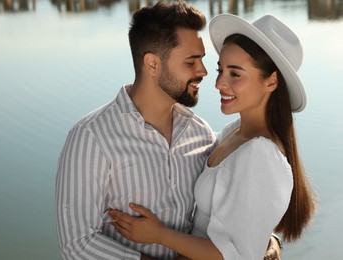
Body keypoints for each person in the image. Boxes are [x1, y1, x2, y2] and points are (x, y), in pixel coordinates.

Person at [56, 2, 282, 259]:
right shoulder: (91, 138)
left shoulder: (201, 133)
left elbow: (239, 194)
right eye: (191, 61)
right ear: (152, 64)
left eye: (202, 59)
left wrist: (267, 238)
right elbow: (77, 244)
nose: (204, 72)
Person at [108, 13, 317, 260]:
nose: (219, 83)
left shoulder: (260, 156)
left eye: (235, 74)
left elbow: (236, 255)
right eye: (221, 70)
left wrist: (159, 234)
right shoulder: (233, 132)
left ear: (271, 81)